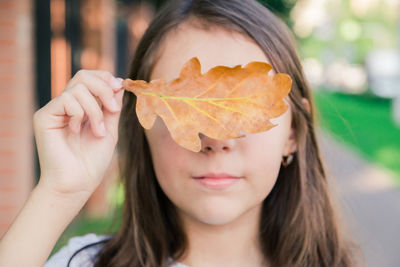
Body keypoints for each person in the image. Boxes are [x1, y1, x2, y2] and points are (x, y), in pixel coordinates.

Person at [0, 0, 364, 266]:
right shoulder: (82, 263)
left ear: (294, 132)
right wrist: (59, 192)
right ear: (141, 127)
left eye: (246, 110)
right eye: (185, 108)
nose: (217, 140)